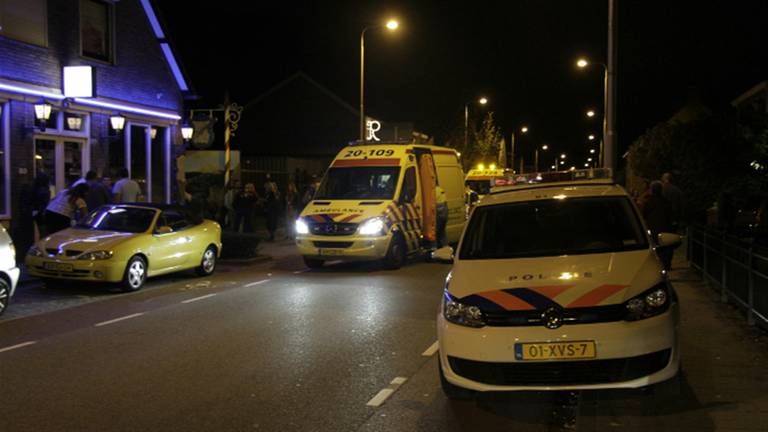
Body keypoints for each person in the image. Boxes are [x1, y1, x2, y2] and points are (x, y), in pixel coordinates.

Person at [642, 181, 674, 270]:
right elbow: (670, 215)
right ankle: (666, 265)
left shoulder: (649, 202)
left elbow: (644, 214)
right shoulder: (666, 202)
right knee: (665, 248)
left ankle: (656, 265)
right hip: (665, 228)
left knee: (655, 248)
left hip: (653, 229)